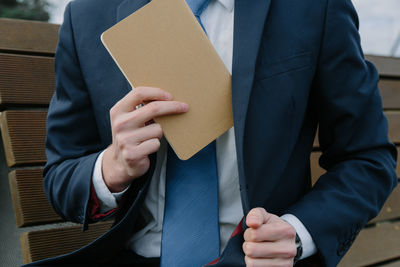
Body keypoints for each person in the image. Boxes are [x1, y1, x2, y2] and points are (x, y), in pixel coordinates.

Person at [30, 0, 397, 266]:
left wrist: (297, 233)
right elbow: (61, 175)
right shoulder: (88, 15)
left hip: (257, 256)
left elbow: (368, 158)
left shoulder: (313, 8)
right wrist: (111, 168)